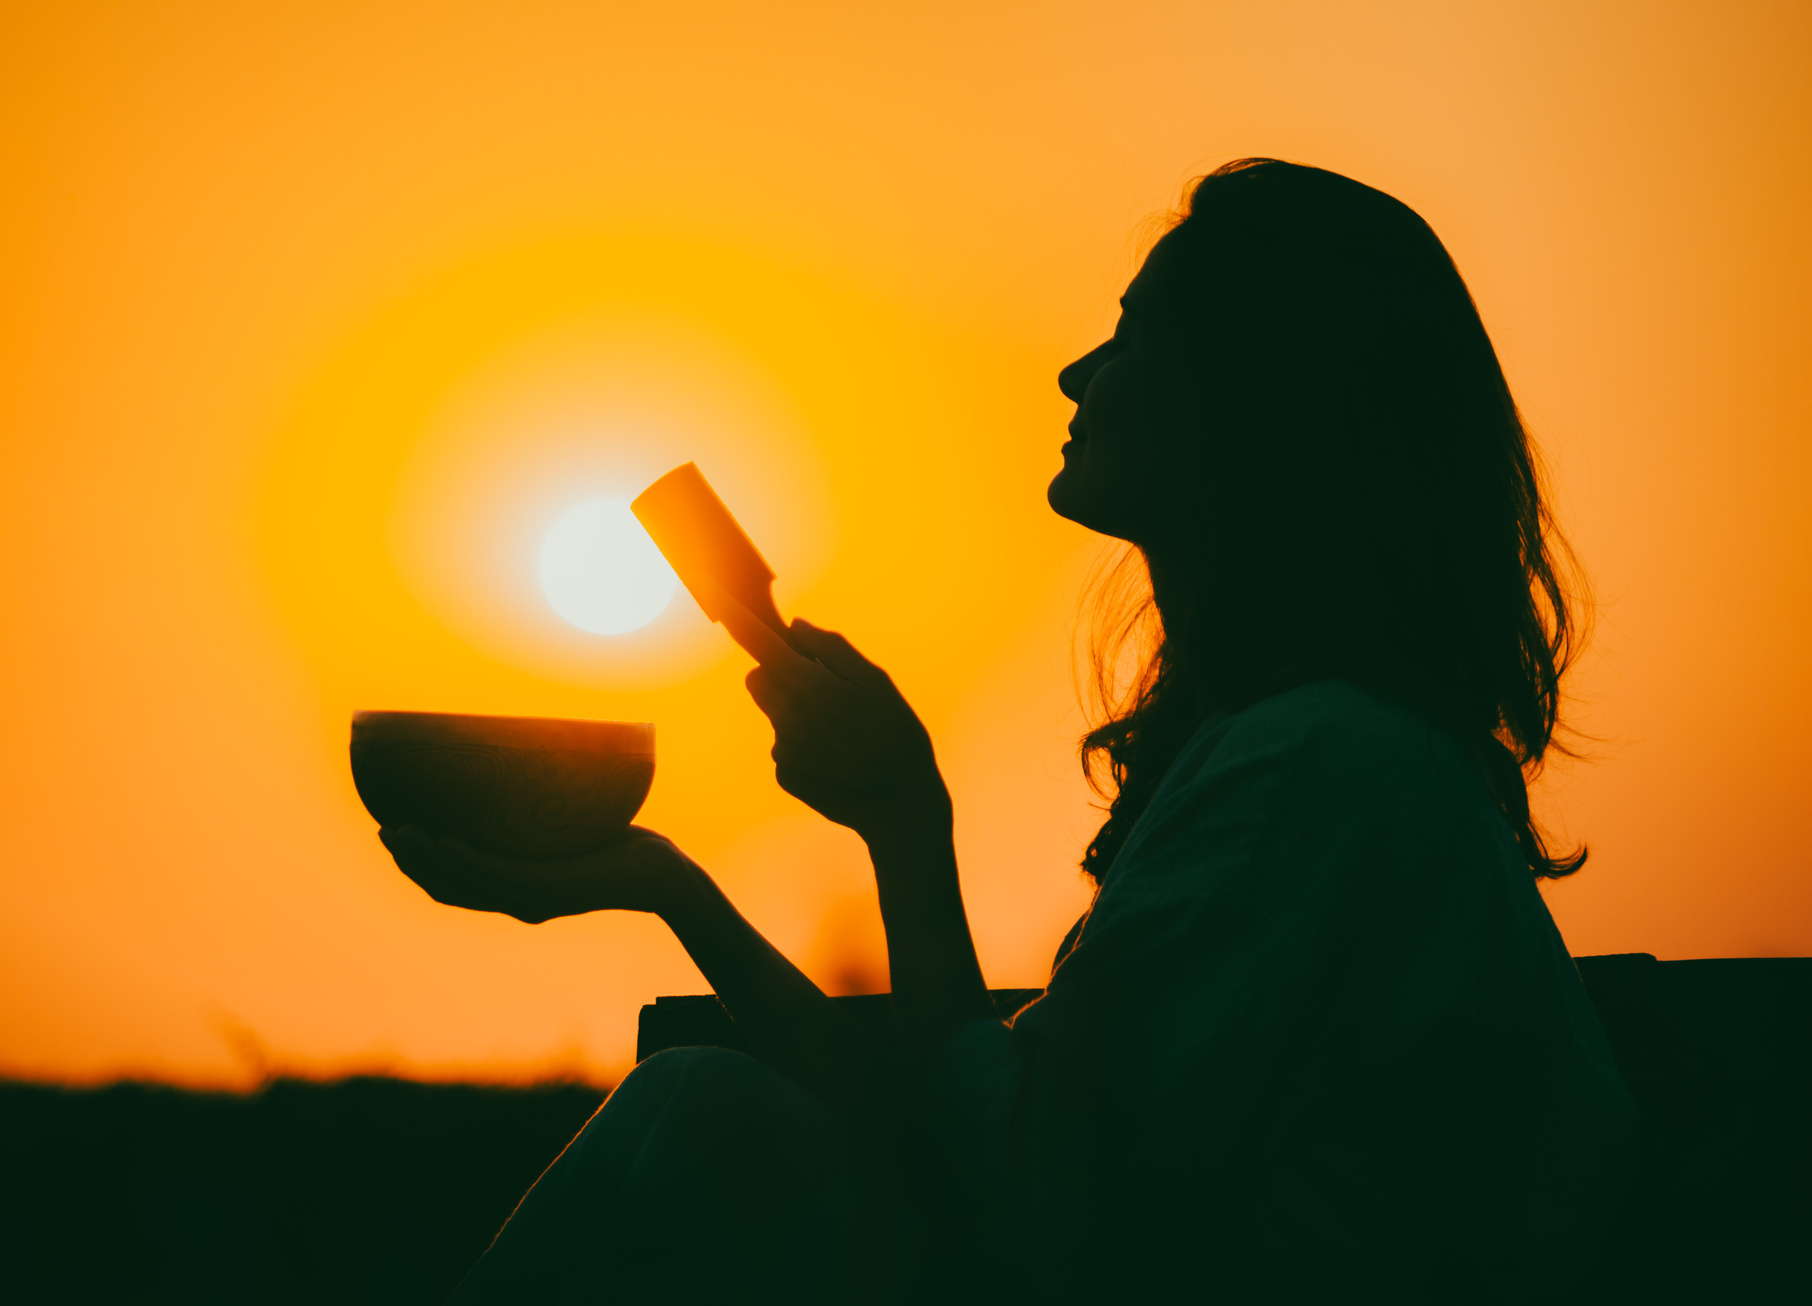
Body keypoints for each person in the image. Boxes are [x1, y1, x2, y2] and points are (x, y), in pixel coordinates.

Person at [382, 159, 1638, 1303]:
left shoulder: (1319, 770)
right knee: (694, 1100)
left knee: (706, 1114)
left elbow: (1027, 1212)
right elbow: (941, 1115)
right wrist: (672, 885)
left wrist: (905, 826)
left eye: (1136, 335)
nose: (1077, 373)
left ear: (1255, 402)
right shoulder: (1308, 757)